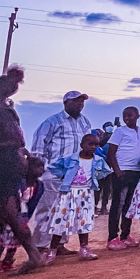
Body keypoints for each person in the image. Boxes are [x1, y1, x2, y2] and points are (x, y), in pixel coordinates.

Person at [0, 67, 44, 272]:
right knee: (8, 216)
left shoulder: (3, 111)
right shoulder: (4, 109)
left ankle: (33, 255)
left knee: (11, 215)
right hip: (5, 166)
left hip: (2, 167)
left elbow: (15, 140)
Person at [30, 90, 92, 251]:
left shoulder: (85, 122)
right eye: (76, 101)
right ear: (65, 103)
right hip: (53, 172)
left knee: (66, 210)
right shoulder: (52, 121)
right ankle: (40, 245)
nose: (80, 104)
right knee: (48, 208)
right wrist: (41, 169)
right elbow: (39, 146)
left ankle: (59, 245)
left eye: (82, 101)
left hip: (75, 174)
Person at [45, 132, 111, 261]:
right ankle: (51, 251)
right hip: (69, 193)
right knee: (61, 220)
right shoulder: (71, 158)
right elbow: (53, 167)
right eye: (90, 144)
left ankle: (84, 249)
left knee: (84, 220)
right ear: (82, 145)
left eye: (96, 144)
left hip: (86, 193)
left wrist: (95, 178)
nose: (93, 147)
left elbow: (106, 170)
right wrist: (65, 175)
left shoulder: (98, 160)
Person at [106, 107, 140, 250]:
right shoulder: (119, 131)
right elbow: (111, 153)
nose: (127, 118)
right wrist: (117, 171)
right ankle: (112, 238)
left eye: (130, 115)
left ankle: (125, 235)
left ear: (138, 115)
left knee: (130, 205)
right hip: (122, 171)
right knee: (117, 204)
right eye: (125, 116)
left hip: (137, 171)